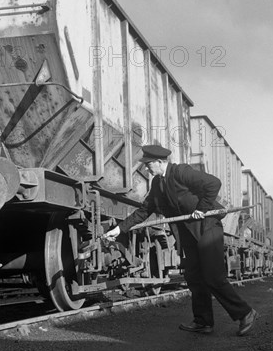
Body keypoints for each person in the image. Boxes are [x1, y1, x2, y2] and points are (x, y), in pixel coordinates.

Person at [103, 144, 258, 336]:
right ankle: (203, 322)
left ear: (160, 162)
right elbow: (144, 211)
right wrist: (118, 229)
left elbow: (213, 183)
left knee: (213, 276)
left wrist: (201, 208)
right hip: (188, 235)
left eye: (148, 164)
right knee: (194, 277)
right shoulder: (157, 185)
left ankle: (245, 313)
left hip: (207, 228)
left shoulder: (181, 172)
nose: (146, 168)